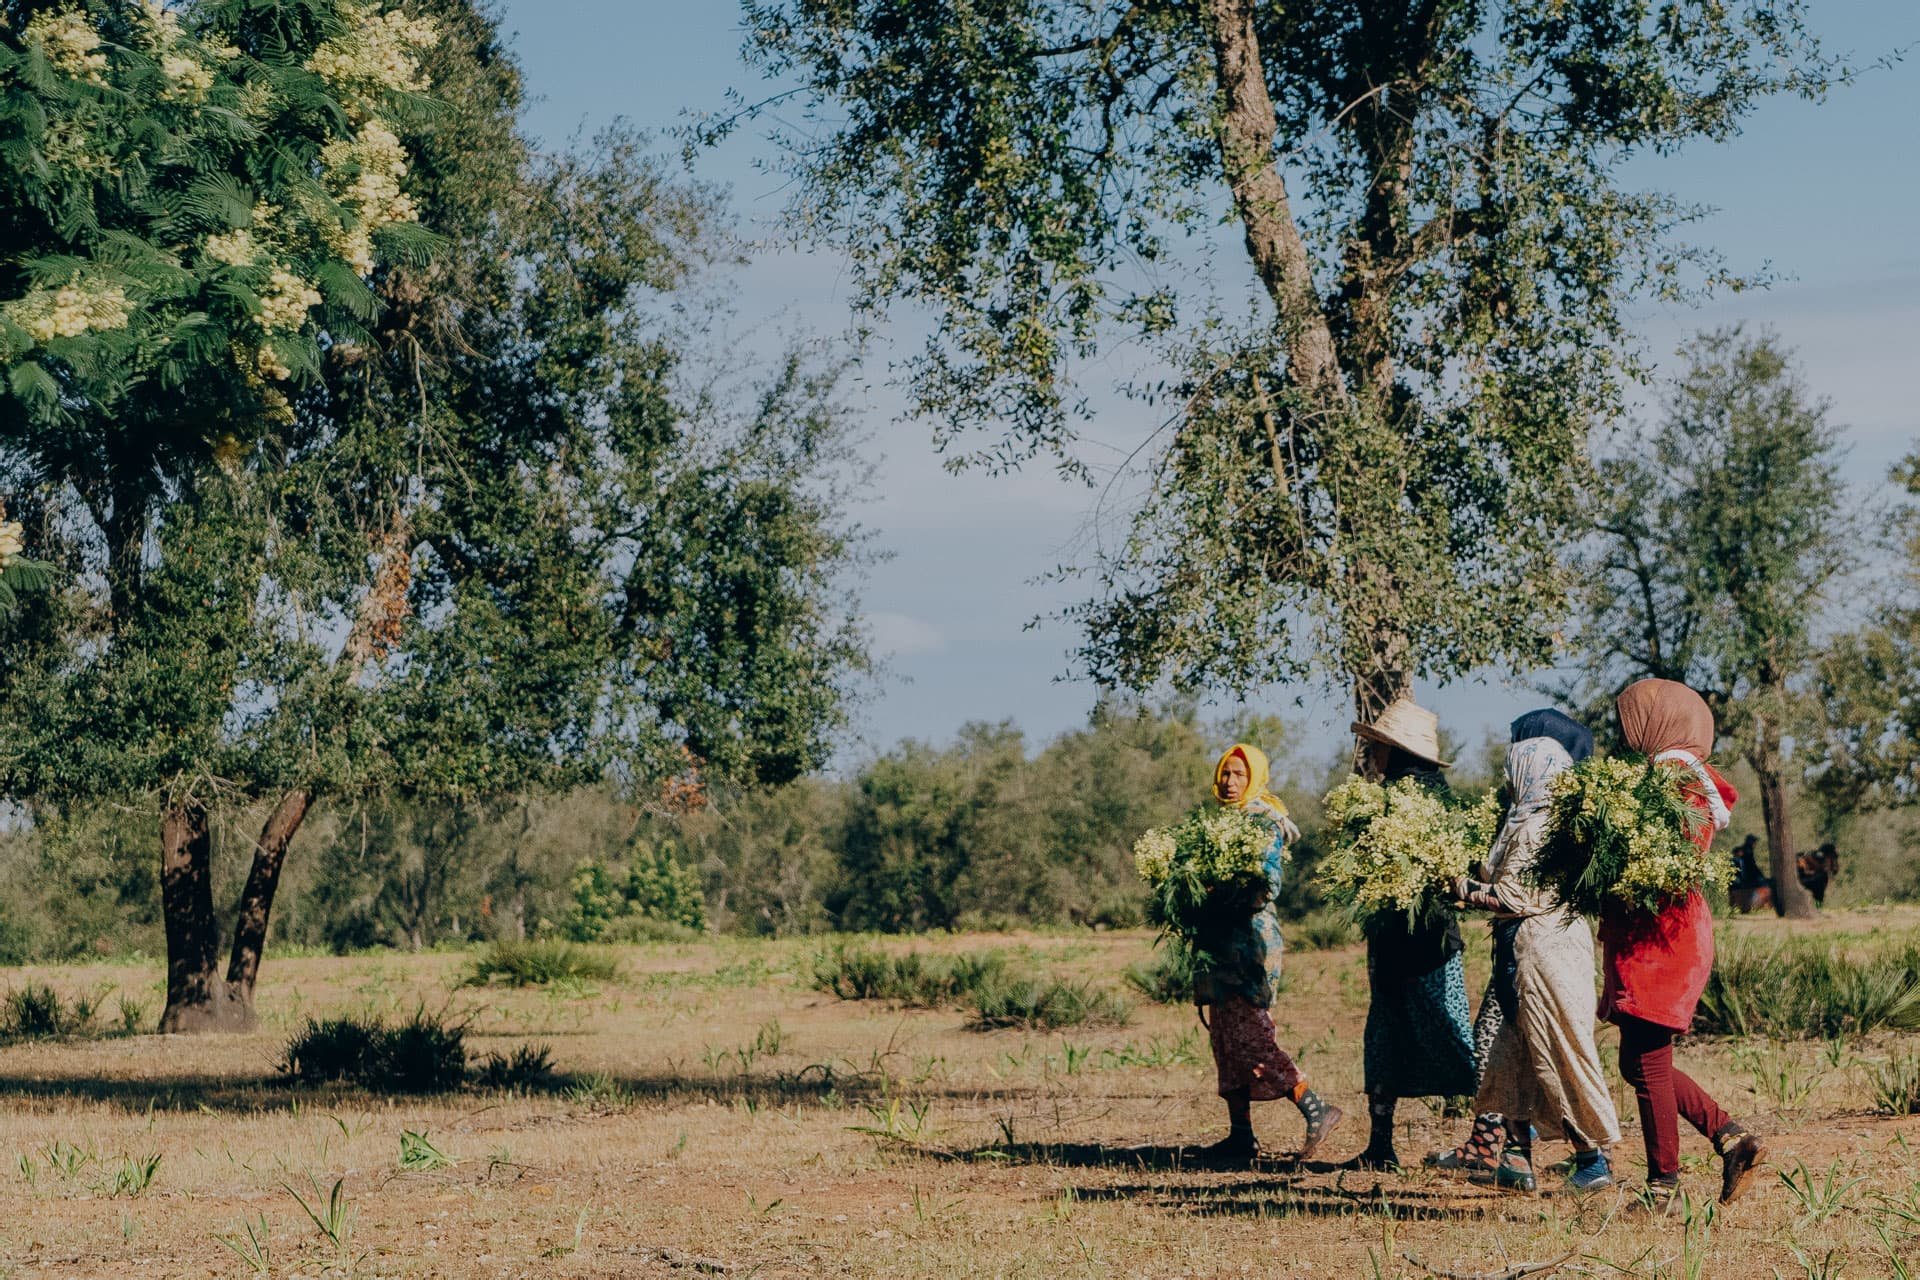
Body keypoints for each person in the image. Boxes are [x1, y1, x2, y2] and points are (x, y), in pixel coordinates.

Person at [1604, 679, 1765, 1209]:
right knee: (1638, 1062)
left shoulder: (1670, 781)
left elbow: (1657, 864)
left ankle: (1664, 1187)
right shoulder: (1684, 778)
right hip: (1668, 932)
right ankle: (1730, 1137)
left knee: (1648, 1062)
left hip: (1660, 938)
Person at [1450, 713, 1621, 1194]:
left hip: (1542, 953)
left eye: (1514, 769)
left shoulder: (1538, 825)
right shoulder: (1531, 819)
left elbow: (1513, 898)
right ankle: (1516, 1157)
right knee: (1515, 1054)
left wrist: (1457, 886)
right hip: (1530, 952)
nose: (1509, 779)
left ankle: (1591, 1161)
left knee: (1556, 1051)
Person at [1193, 743, 1342, 1163]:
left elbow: (1266, 885)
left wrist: (1219, 894)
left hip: (1250, 945)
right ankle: (1241, 1137)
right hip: (1220, 945)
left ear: (1255, 777)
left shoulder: (1264, 822)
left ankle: (1315, 1107)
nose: (1229, 782)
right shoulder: (1219, 824)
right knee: (1224, 1038)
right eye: (1225, 773)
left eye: (1239, 774)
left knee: (1251, 1034)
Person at [1346, 696, 1478, 1171]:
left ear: (1398, 752)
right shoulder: (1425, 802)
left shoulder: (1417, 805)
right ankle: (1382, 1146)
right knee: (1396, 1034)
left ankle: (1491, 1140)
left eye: (1377, 747)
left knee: (1441, 1035)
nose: (1371, 756)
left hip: (1425, 946)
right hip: (1416, 942)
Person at [1728, 835, 1773, 914]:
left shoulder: (1746, 851)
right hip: (1745, 879)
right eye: (1754, 842)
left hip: (1744, 878)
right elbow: (1751, 867)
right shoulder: (1747, 852)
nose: (1755, 844)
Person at [1797, 842, 1839, 907]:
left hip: (1806, 879)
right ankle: (1818, 907)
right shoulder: (1819, 856)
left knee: (1821, 883)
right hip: (1801, 879)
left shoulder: (1825, 860)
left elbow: (1834, 870)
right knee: (1821, 882)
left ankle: (1818, 907)